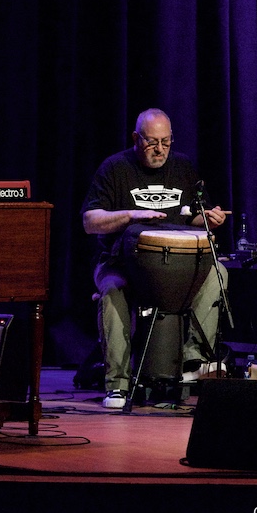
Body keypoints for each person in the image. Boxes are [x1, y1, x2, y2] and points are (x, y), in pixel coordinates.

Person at [81, 108, 229, 408]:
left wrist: (209, 219)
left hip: (176, 264)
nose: (159, 149)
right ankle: (118, 384)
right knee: (112, 290)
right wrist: (130, 214)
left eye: (166, 141)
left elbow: (193, 218)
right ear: (136, 138)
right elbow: (90, 221)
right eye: (151, 142)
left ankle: (192, 363)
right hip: (121, 261)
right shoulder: (115, 168)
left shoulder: (183, 166)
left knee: (218, 273)